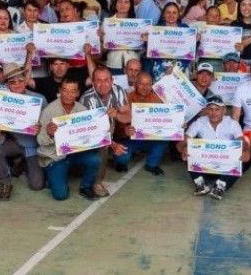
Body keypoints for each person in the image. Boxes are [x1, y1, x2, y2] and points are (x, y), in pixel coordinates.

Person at [36, 78, 102, 201]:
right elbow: (40, 141)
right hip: (54, 156)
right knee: (61, 195)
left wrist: (101, 134)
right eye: (65, 91)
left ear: (78, 93)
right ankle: (52, 176)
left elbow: (89, 134)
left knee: (94, 159)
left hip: (74, 153)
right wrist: (50, 134)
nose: (69, 95)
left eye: (73, 91)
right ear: (60, 91)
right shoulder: (49, 111)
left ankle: (85, 187)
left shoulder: (82, 110)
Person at [0, 63, 46, 201]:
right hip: (14, 142)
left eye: (20, 80)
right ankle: (5, 182)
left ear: (26, 81)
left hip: (33, 145)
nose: (17, 84)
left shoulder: (39, 99)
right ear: (7, 85)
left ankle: (24, 164)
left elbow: (49, 130)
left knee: (37, 185)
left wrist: (40, 130)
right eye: (12, 82)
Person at [180, 101, 250, 200]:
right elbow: (182, 142)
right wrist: (183, 148)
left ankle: (221, 185)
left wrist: (246, 151)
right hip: (204, 166)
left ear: (224, 110)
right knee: (190, 151)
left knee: (239, 157)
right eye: (210, 109)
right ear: (206, 110)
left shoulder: (232, 123)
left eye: (217, 109)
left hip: (225, 168)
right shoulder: (200, 122)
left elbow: (242, 143)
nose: (213, 112)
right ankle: (200, 183)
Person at [80, 67, 128, 198]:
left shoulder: (118, 90)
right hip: (92, 136)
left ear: (112, 81)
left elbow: (128, 116)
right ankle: (97, 182)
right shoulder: (87, 98)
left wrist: (117, 115)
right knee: (103, 146)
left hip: (111, 132)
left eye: (106, 80)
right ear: (93, 82)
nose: (102, 84)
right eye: (98, 81)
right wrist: (112, 144)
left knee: (123, 156)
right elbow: (91, 132)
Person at [113, 72, 168, 176]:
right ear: (135, 85)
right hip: (129, 139)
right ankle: (119, 162)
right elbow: (116, 123)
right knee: (122, 159)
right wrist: (124, 129)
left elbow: (165, 121)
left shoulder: (157, 100)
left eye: (148, 84)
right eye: (141, 84)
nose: (145, 87)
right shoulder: (125, 99)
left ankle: (152, 164)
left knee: (163, 141)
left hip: (150, 138)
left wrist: (176, 125)